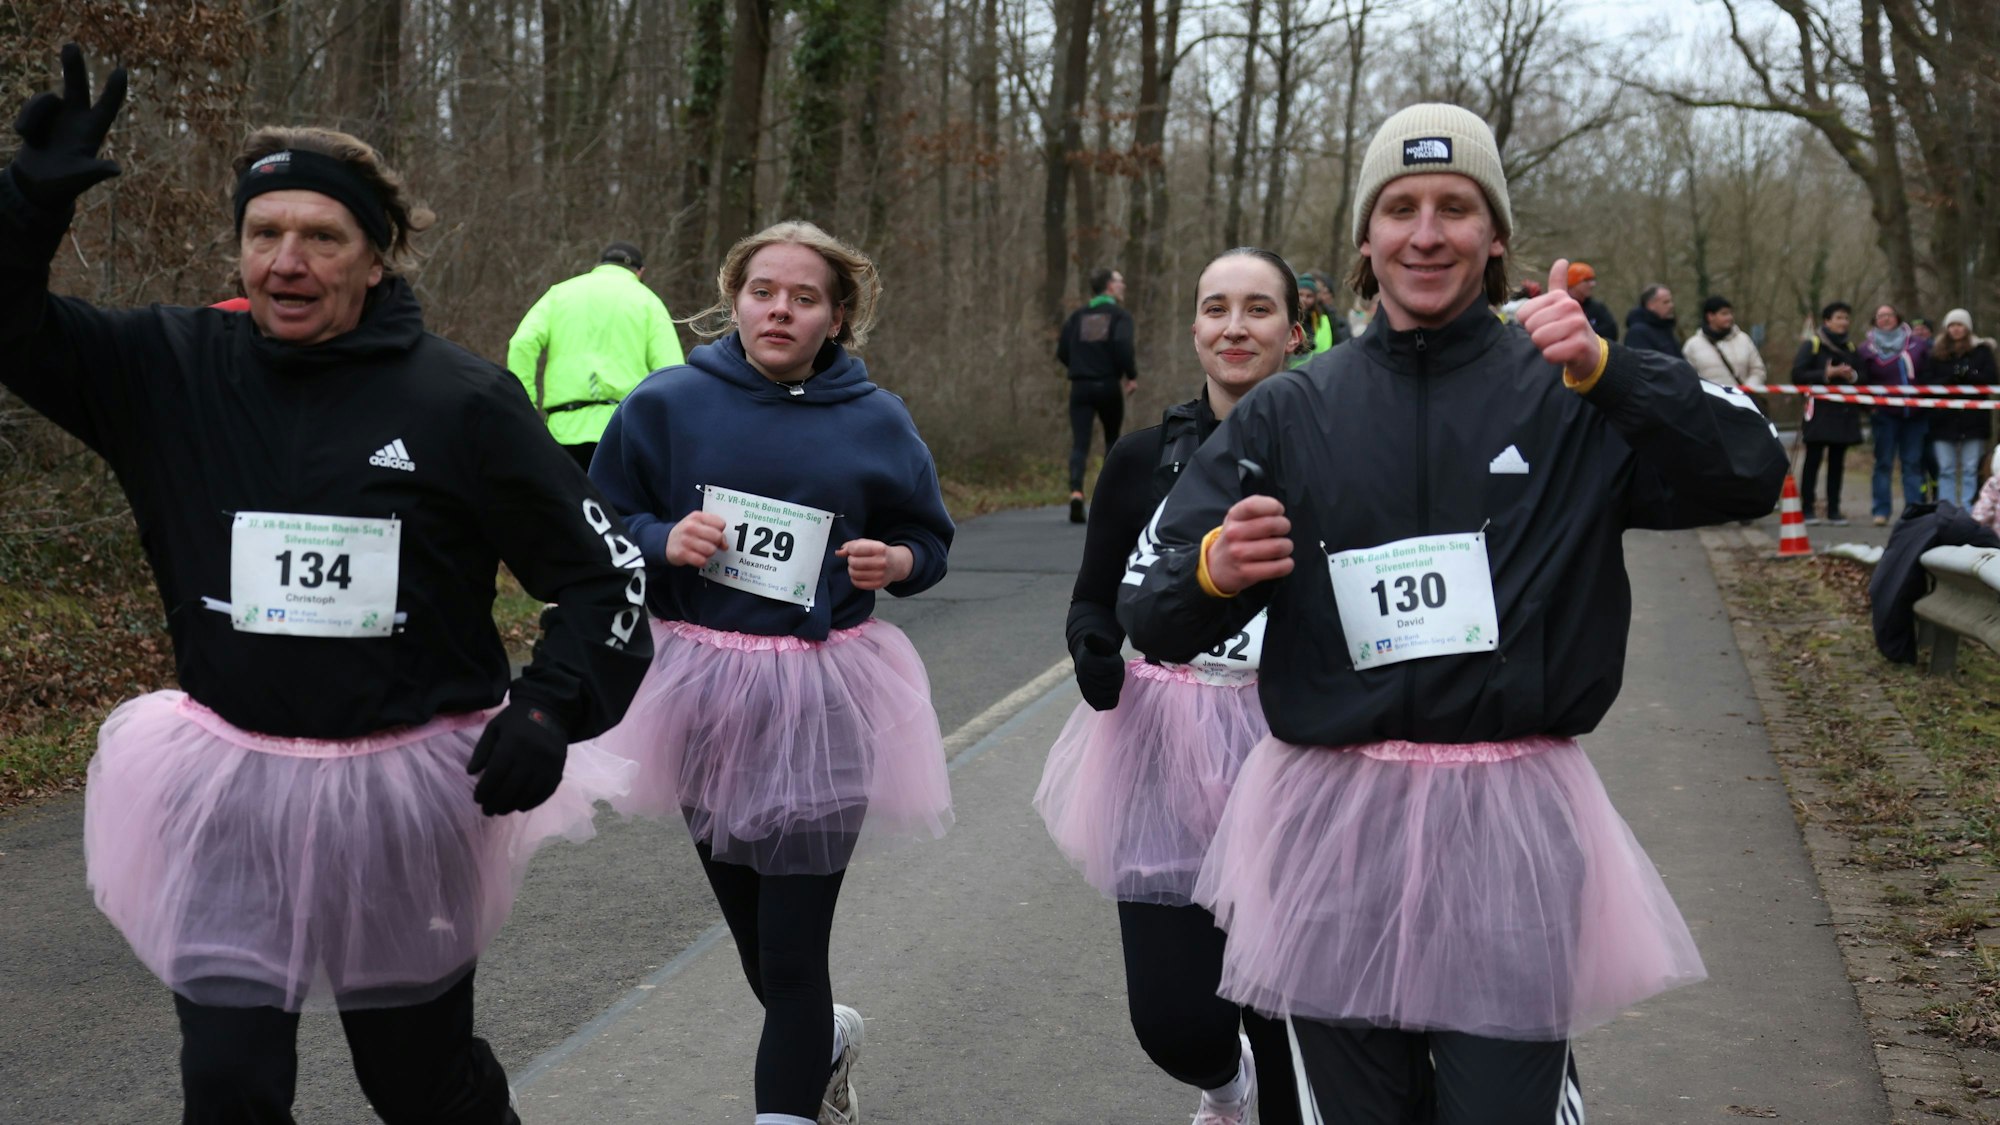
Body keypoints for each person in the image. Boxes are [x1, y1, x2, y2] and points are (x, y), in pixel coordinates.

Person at [2, 47, 652, 1123]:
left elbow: (605, 577)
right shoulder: (166, 369)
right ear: (239, 248)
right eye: (266, 234)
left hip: (401, 794)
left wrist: (550, 704)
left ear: (376, 259)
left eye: (321, 237)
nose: (288, 261)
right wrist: (27, 203)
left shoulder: (462, 402)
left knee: (417, 1084)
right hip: (227, 788)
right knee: (228, 1085)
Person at [1118, 103, 1788, 1122]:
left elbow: (1748, 474)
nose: (1424, 233)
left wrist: (1612, 372)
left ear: (1494, 236)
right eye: (1398, 208)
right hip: (1331, 831)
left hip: (1506, 826)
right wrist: (1209, 573)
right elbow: (1151, 616)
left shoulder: (1568, 391)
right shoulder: (1292, 410)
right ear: (1364, 239)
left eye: (1453, 207)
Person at [586, 220, 955, 1125]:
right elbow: (595, 521)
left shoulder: (878, 418)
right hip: (704, 690)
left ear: (838, 316)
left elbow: (929, 538)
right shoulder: (666, 402)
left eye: (805, 297)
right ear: (734, 298)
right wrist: (659, 539)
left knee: (791, 955)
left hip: (826, 694)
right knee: (757, 944)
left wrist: (895, 564)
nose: (780, 309)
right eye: (763, 291)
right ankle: (822, 1037)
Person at [1035, 247, 1306, 1125]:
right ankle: (1226, 1089)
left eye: (1259, 309)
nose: (1236, 326)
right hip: (1164, 740)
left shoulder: (1335, 452)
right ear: (1193, 328)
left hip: (1292, 743)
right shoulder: (1144, 457)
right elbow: (1093, 598)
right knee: (1172, 1017)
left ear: (1295, 332)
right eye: (1217, 308)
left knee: (1283, 1004)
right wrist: (1091, 650)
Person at [507, 241, 684, 472]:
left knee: (566, 507)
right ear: (640, 272)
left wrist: (526, 406)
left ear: (598, 265)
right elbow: (671, 372)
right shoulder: (648, 302)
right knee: (614, 508)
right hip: (623, 432)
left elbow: (522, 343)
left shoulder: (560, 294)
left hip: (562, 431)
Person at [1058, 267, 1139, 522]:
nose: (1124, 285)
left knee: (1080, 442)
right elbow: (1122, 347)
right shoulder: (1119, 316)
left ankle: (1076, 493)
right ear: (1109, 287)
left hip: (1080, 387)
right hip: (1107, 386)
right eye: (1120, 281)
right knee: (1112, 440)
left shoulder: (1077, 317)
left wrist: (1081, 366)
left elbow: (1062, 350)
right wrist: (1131, 375)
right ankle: (1108, 499)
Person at [1792, 302, 1864, 525]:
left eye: (1846, 318)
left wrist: (1851, 375)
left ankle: (1834, 510)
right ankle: (1807, 509)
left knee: (1837, 462)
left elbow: (1863, 376)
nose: (1844, 322)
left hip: (1843, 412)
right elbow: (1797, 374)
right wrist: (1827, 373)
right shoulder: (1812, 344)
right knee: (1813, 460)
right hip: (1819, 412)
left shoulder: (1851, 347)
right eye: (1839, 317)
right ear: (1827, 321)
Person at [1859, 303, 1931, 525]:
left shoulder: (1918, 345)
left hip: (1915, 415)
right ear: (1875, 321)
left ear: (1898, 317)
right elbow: (1862, 380)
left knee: (1912, 463)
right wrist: (1868, 407)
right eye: (1881, 316)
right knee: (1883, 463)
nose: (1886, 319)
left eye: (1889, 315)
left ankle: (1914, 511)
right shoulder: (1865, 349)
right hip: (1884, 415)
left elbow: (1931, 372)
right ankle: (1881, 511)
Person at [1923, 308, 1996, 508]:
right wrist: (1951, 378)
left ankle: (1968, 507)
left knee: (1970, 468)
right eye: (1952, 325)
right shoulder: (1937, 353)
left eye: (1960, 325)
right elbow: (1928, 383)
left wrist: (1969, 375)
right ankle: (1946, 507)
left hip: (1973, 420)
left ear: (1968, 328)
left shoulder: (1981, 351)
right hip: (1943, 419)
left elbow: (1991, 380)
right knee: (1945, 468)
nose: (1956, 330)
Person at [1683, 295, 1767, 389]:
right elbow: (1687, 378)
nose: (1729, 317)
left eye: (1730, 313)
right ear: (1710, 316)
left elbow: (1758, 370)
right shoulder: (1693, 345)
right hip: (1709, 402)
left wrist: (1747, 390)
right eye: (1724, 314)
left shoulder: (1744, 340)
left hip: (1741, 400)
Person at [1289, 269, 1335, 368]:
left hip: (1316, 369)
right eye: (1301, 295)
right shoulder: (1289, 317)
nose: (1304, 299)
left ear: (1315, 298)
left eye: (1309, 296)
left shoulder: (1322, 319)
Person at [1624, 283, 1682, 357]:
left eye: (1671, 301)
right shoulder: (1637, 333)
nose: (1671, 305)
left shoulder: (1665, 328)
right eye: (1666, 302)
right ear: (1651, 305)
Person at [1568, 261, 1617, 341]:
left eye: (1592, 280)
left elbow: (1611, 333)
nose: (1592, 284)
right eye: (1586, 280)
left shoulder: (1598, 309)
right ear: (1573, 284)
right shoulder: (1560, 307)